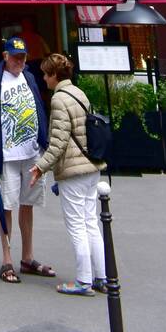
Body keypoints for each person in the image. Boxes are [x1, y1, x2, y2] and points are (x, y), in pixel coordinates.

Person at [0, 35, 55, 284]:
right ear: (5, 56)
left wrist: (43, 142)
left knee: (27, 204)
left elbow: (39, 108)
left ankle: (27, 257)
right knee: (7, 205)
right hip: (7, 156)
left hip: (31, 153)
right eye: (15, 57)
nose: (19, 61)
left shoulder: (29, 77)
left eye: (23, 57)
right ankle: (7, 258)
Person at [29, 54, 107, 296]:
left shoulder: (59, 100)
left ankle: (83, 280)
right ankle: (101, 276)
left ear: (54, 75)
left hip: (73, 171)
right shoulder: (79, 93)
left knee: (76, 227)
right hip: (91, 166)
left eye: (45, 73)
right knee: (91, 223)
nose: (43, 78)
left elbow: (59, 142)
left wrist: (41, 167)